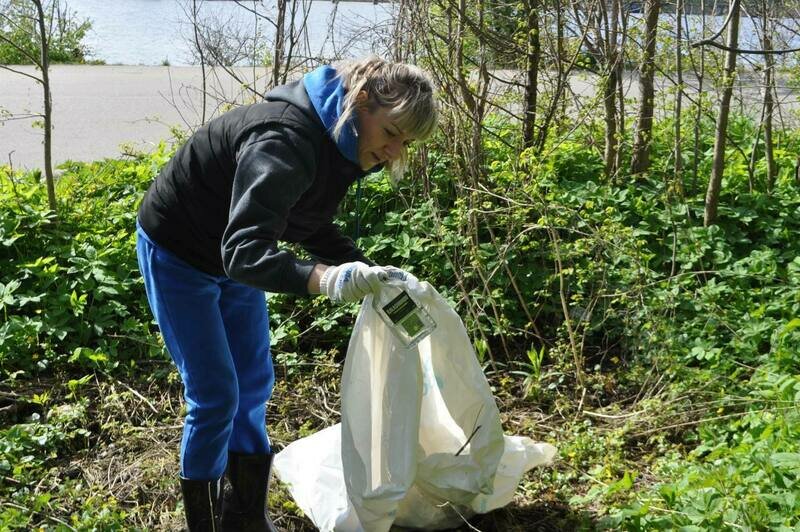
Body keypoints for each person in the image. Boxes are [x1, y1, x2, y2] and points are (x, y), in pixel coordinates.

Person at [135, 55, 438, 531]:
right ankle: (206, 525)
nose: (396, 151)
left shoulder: (343, 140)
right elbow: (243, 252)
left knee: (253, 383)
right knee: (216, 395)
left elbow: (305, 218)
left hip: (235, 252)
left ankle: (245, 518)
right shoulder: (284, 138)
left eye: (407, 143)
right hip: (180, 250)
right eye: (394, 133)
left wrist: (366, 270)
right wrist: (326, 279)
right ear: (361, 102)